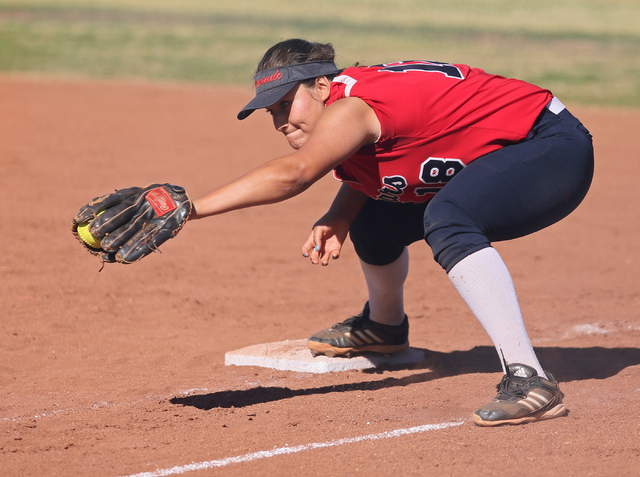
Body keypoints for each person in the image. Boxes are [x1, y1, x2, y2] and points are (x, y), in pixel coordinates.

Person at [189, 39, 594, 426]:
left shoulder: (351, 107)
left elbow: (295, 175)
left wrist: (191, 209)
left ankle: (530, 380)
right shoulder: (346, 106)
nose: (280, 122)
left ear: (323, 86)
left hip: (550, 147)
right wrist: (340, 215)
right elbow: (377, 162)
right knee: (373, 216)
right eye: (271, 112)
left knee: (449, 218)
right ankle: (385, 328)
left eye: (285, 104)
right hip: (507, 148)